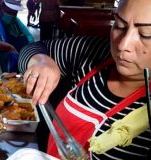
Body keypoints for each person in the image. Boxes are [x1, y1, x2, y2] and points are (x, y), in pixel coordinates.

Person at [18, 0, 151, 159]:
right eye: (119, 26)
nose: (123, 45)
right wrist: (41, 61)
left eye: (145, 34)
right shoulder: (94, 52)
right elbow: (30, 50)